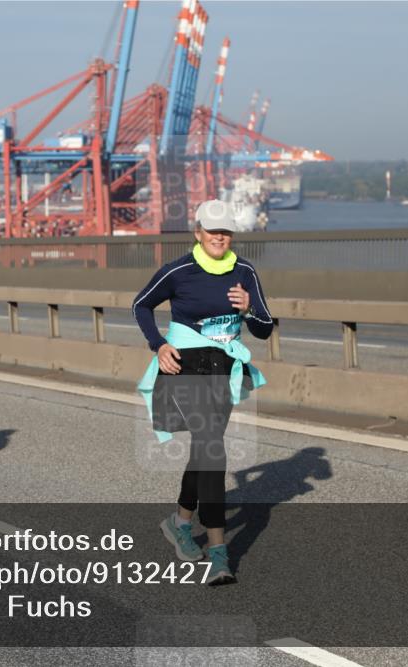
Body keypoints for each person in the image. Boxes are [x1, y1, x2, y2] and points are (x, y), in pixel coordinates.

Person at [134, 199, 273, 586]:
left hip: (225, 371)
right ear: (198, 232)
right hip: (185, 369)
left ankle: (179, 522)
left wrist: (249, 310)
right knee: (212, 448)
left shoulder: (244, 271)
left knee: (204, 449)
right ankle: (218, 550)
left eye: (225, 231)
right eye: (212, 231)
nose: (219, 237)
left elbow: (264, 328)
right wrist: (158, 345)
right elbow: (141, 305)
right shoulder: (179, 271)